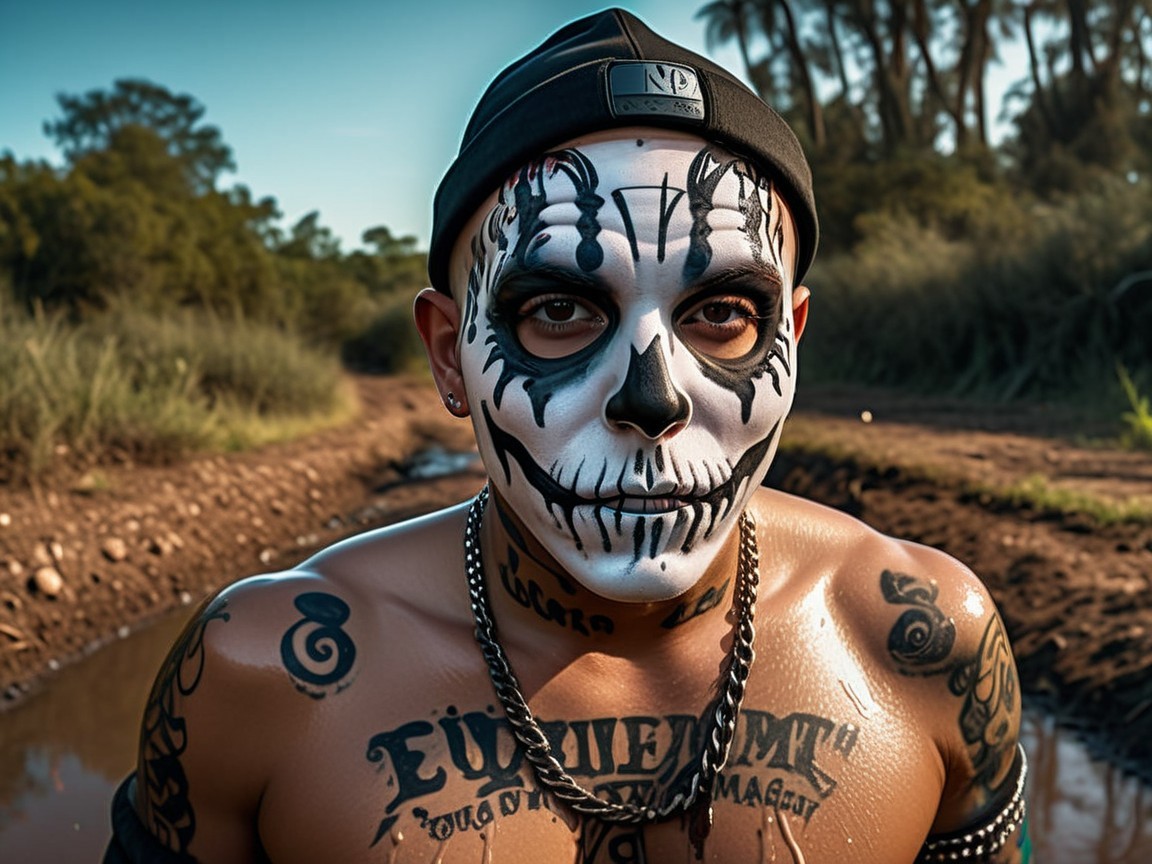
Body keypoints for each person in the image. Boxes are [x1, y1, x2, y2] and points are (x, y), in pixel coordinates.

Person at [105, 8, 1030, 863]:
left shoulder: (921, 639)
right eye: (558, 309)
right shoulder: (262, 675)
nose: (652, 399)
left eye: (720, 314)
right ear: (449, 355)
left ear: (792, 335)